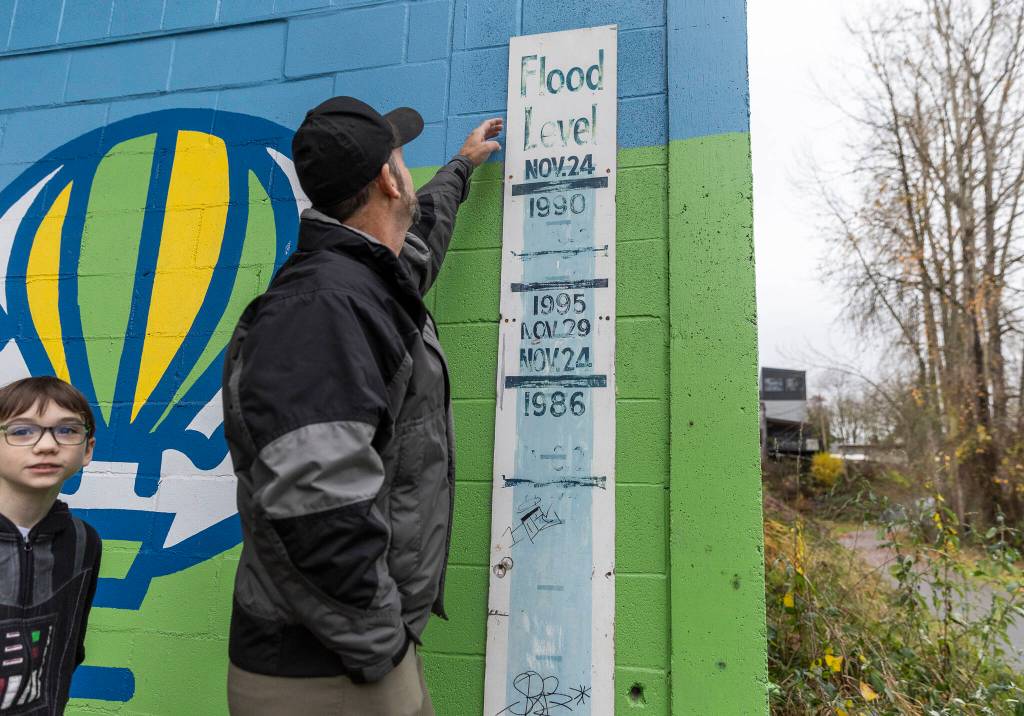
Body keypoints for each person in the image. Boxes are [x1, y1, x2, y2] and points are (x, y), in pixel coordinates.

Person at [222, 96, 502, 715]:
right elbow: (314, 499)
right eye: (402, 157)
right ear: (387, 177)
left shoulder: (369, 280)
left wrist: (461, 167)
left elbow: (417, 235)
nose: (407, 172)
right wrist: (384, 645)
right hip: (327, 665)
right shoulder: (322, 308)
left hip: (351, 647)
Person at [0, 376, 101, 715]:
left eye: (68, 430)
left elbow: (69, 649)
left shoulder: (83, 541)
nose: (46, 445)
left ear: (87, 449)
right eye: (22, 431)